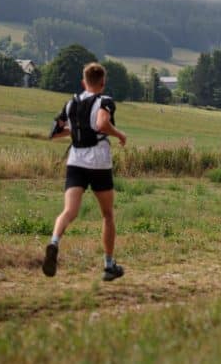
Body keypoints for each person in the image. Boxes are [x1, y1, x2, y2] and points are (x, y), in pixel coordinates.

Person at [43, 62, 128, 281]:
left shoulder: (70, 104)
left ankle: (54, 242)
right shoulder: (105, 101)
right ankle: (109, 265)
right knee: (108, 215)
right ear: (103, 82)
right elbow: (101, 124)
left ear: (83, 82)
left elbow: (54, 132)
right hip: (98, 161)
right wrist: (119, 134)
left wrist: (76, 129)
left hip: (75, 161)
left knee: (69, 211)